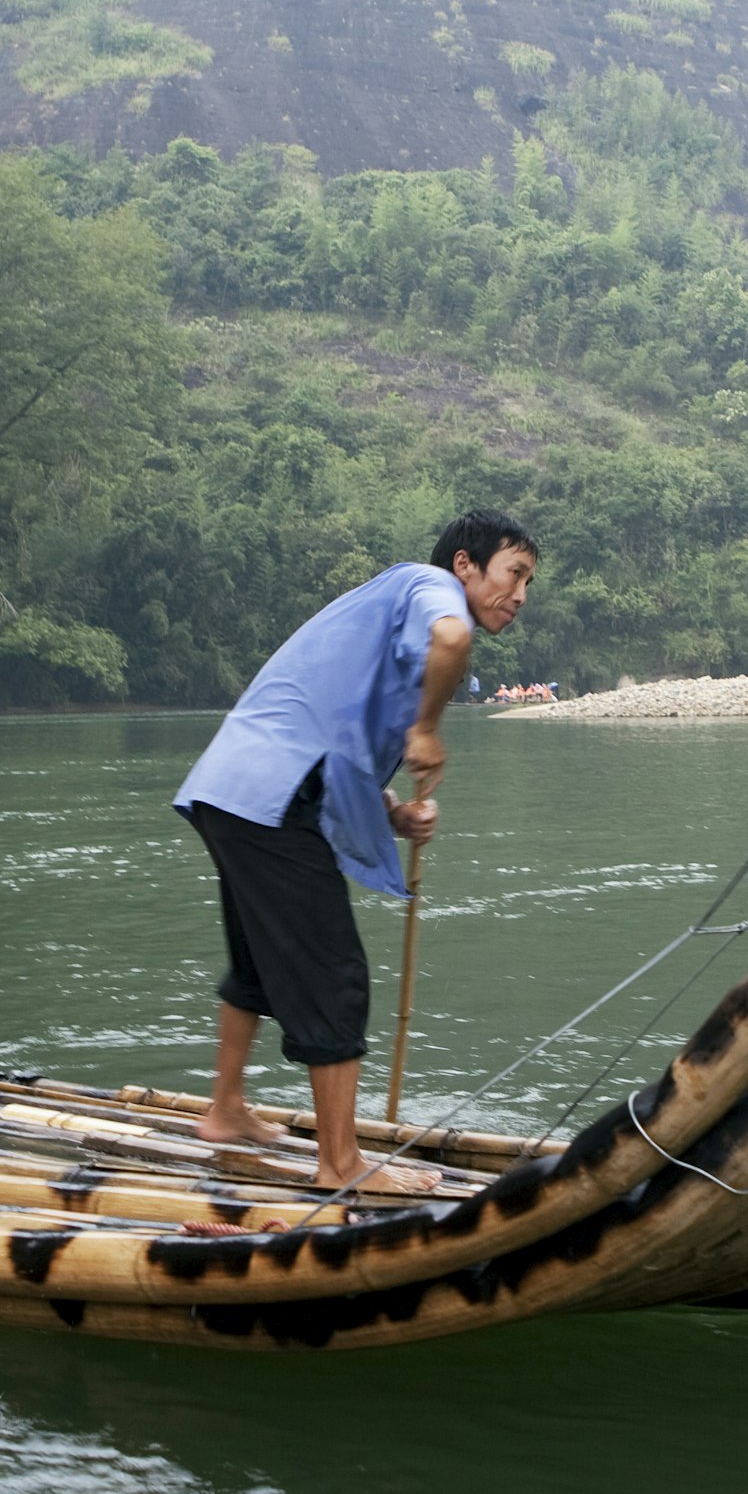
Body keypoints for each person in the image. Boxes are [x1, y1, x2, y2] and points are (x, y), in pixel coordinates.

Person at [171, 509, 538, 1194]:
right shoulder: (428, 585)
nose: (519, 596)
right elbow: (453, 636)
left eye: (526, 584)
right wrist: (427, 728)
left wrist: (394, 813)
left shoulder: (391, 624)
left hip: (236, 788)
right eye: (513, 574)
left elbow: (340, 747)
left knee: (255, 965)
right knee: (334, 975)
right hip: (271, 795)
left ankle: (225, 1111)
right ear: (465, 564)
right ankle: (340, 1166)